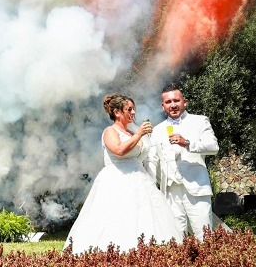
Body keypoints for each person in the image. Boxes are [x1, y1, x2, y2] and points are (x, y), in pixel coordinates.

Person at [65, 93, 182, 253]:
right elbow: (119, 150)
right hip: (117, 179)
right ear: (117, 112)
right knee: (118, 216)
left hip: (140, 179)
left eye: (134, 109)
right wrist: (139, 135)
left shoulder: (132, 132)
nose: (134, 113)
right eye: (129, 109)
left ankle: (147, 250)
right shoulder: (110, 131)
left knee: (146, 216)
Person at [149, 86, 221, 238]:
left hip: (196, 187)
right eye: (168, 102)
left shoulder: (200, 121)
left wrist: (187, 143)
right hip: (170, 191)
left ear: (184, 102)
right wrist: (150, 184)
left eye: (176, 100)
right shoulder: (157, 130)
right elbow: (152, 159)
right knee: (175, 238)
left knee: (204, 234)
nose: (173, 105)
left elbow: (213, 147)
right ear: (163, 106)